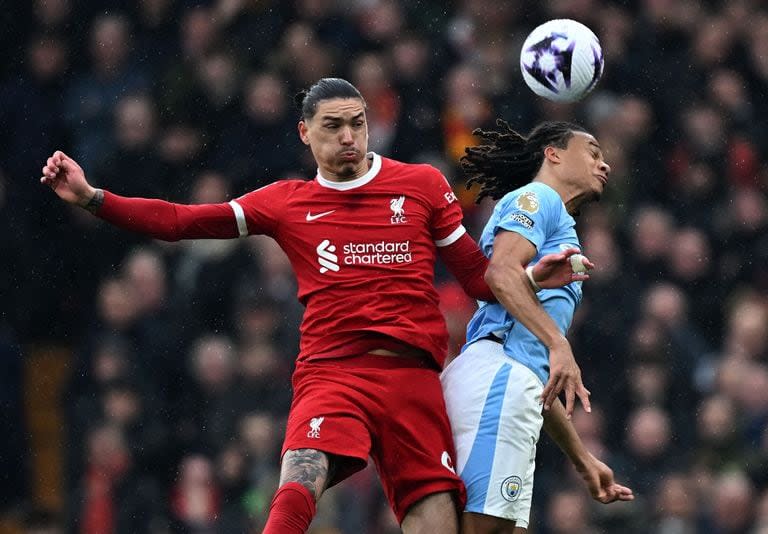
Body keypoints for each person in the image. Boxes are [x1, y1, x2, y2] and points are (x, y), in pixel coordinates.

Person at [40, 78, 588, 533]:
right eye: (333, 126)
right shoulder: (286, 202)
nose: (349, 137)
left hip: (413, 379)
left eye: (357, 123)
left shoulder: (421, 186)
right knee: (301, 470)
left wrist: (535, 276)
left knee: (437, 522)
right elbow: (183, 221)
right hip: (333, 372)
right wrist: (94, 198)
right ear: (305, 133)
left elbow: (478, 281)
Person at [441, 120, 634, 533]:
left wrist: (583, 461)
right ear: (553, 153)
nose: (605, 165)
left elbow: (533, 374)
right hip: (495, 379)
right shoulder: (537, 196)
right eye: (594, 152)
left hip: (509, 385)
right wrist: (557, 343)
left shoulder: (558, 223)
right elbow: (501, 274)